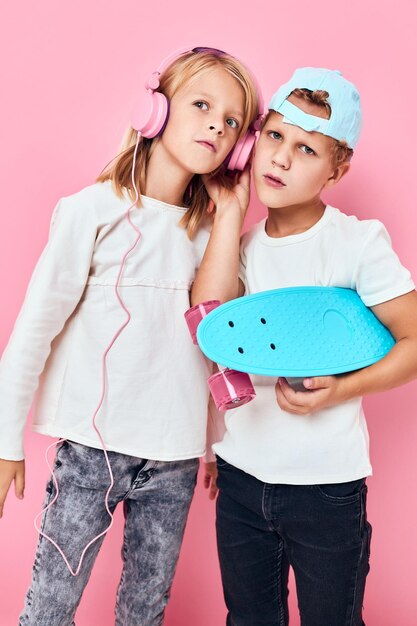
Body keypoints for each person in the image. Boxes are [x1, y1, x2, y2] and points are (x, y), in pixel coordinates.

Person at [0, 46, 261, 625]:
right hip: (91, 452)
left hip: (174, 458)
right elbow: (33, 331)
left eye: (233, 121)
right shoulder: (90, 211)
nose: (217, 124)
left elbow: (215, 341)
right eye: (202, 105)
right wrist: (5, 443)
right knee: (50, 604)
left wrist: (212, 441)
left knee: (145, 609)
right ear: (156, 110)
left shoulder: (213, 237)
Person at [192, 67, 417, 625]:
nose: (281, 159)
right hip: (241, 478)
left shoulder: (356, 244)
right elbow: (210, 323)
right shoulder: (240, 247)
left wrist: (341, 390)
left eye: (306, 148)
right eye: (273, 136)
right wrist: (228, 211)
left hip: (325, 489)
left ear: (337, 168)